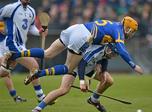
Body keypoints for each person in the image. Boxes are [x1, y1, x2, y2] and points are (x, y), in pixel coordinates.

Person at [4, 16, 143, 93]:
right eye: (132, 31)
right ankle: (39, 73)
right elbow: (122, 49)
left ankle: (16, 54)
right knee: (68, 69)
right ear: (128, 28)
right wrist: (133, 65)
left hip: (76, 28)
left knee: (47, 53)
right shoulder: (119, 31)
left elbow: (101, 50)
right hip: (82, 36)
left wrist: (99, 68)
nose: (132, 33)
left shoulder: (113, 26)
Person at [29, 43, 119, 112]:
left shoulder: (104, 51)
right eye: (113, 53)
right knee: (63, 90)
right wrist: (83, 81)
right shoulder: (95, 51)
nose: (113, 56)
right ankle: (39, 107)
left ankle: (94, 100)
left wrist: (103, 71)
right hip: (75, 67)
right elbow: (81, 65)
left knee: (108, 80)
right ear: (109, 49)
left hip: (88, 69)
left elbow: (103, 60)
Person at [0, 0, 47, 102]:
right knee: (34, 66)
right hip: (12, 45)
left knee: (4, 73)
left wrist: (39, 31)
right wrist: (2, 29)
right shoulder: (11, 8)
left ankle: (41, 97)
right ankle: (41, 97)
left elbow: (31, 28)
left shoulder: (31, 11)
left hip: (21, 45)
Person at [0, 25, 26, 102]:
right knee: (5, 70)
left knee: (6, 72)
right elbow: (4, 30)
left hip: (3, 44)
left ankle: (15, 97)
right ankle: (15, 97)